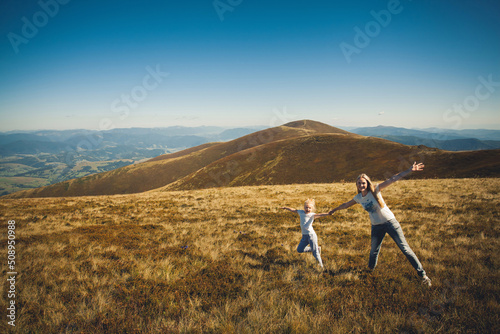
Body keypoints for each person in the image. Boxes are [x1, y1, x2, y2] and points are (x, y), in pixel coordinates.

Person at [329, 162, 432, 286]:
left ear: (367, 183)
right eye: (359, 183)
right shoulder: (358, 197)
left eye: (363, 182)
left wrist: (409, 170)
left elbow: (393, 178)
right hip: (376, 227)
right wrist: (334, 210)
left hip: (390, 223)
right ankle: (369, 273)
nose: (361, 185)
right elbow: (346, 204)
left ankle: (423, 276)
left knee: (405, 249)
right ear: (356, 184)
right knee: (373, 251)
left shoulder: (375, 190)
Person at [282, 198, 330, 269]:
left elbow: (321, 214)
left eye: (309, 208)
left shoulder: (312, 215)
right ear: (304, 207)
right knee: (300, 250)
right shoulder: (301, 212)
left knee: (315, 253)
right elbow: (293, 210)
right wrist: (286, 208)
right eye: (306, 207)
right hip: (304, 236)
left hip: (311, 235)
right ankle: (316, 248)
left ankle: (321, 266)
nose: (307, 209)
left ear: (312, 208)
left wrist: (329, 213)